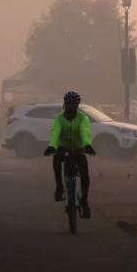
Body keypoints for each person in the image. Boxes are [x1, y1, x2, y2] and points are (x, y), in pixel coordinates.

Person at [43, 90, 96, 219]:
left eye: (73, 104)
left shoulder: (83, 118)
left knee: (85, 175)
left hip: (78, 149)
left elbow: (85, 132)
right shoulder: (59, 118)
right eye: (68, 103)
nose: (70, 106)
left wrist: (87, 145)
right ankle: (59, 186)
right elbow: (55, 132)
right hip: (63, 148)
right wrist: (52, 146)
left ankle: (84, 200)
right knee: (56, 160)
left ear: (77, 105)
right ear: (65, 104)